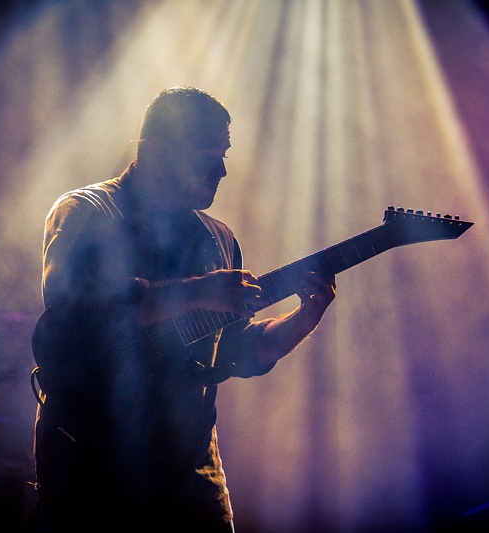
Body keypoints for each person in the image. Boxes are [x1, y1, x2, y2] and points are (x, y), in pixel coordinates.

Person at [31, 86, 336, 531]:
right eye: (208, 153)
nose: (222, 170)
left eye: (225, 153)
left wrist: (303, 319)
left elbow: (232, 352)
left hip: (190, 465)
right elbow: (75, 307)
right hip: (92, 456)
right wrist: (195, 292)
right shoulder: (87, 211)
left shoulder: (220, 239)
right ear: (156, 151)